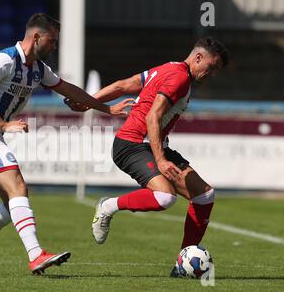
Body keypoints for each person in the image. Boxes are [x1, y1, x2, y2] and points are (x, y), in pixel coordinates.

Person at [0, 13, 133, 275]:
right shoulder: (4, 59)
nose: (54, 46)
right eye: (52, 41)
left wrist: (106, 108)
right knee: (19, 188)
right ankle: (36, 255)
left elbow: (69, 89)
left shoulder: (37, 69)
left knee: (14, 200)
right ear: (36, 37)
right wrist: (3, 124)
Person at [81, 37, 229, 276]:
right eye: (211, 67)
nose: (211, 74)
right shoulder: (180, 77)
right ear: (198, 58)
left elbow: (123, 84)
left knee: (204, 195)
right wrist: (161, 160)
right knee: (164, 197)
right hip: (132, 144)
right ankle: (108, 206)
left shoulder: (167, 68)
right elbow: (153, 117)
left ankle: (183, 265)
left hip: (152, 144)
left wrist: (88, 101)